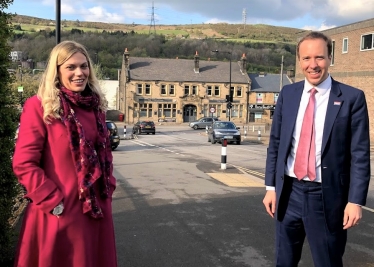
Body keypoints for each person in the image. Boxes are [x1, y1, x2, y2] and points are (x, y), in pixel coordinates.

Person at [263, 31, 371, 267]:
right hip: (288, 193)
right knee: (284, 261)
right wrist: (271, 187)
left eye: (319, 58)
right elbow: (277, 144)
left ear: (330, 58)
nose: (313, 65)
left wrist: (355, 201)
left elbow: (360, 155)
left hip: (327, 197)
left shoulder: (352, 98)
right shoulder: (288, 94)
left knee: (328, 262)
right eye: (306, 58)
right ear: (299, 61)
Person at [12, 41, 117, 267]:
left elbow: (104, 155)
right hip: (58, 212)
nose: (79, 73)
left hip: (95, 211)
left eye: (84, 66)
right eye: (70, 67)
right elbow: (24, 162)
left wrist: (109, 185)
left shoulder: (96, 108)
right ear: (57, 71)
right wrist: (53, 201)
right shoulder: (40, 106)